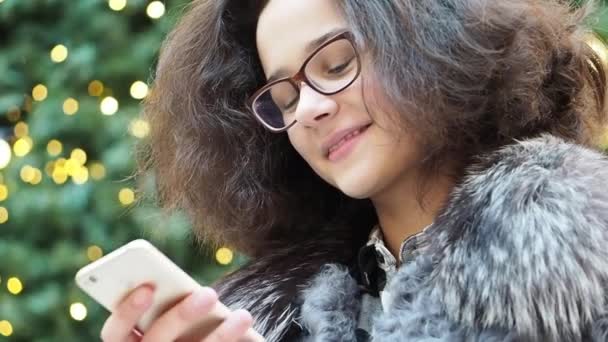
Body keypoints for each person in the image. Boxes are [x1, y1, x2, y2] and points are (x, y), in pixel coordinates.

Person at [100, 0, 608, 341]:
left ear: (437, 45)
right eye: (284, 97)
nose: (307, 110)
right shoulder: (264, 318)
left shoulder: (591, 250)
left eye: (338, 64)